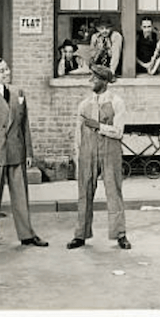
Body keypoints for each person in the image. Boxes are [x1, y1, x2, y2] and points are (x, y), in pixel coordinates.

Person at [0, 58, 48, 252]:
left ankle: (27, 235)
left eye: (7, 69)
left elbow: (24, 125)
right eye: (2, 70)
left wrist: (28, 151)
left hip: (16, 151)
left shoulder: (18, 93)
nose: (7, 72)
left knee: (21, 196)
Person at [67, 64, 131, 250]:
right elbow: (78, 135)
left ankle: (120, 234)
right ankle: (80, 235)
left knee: (114, 193)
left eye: (94, 79)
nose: (90, 81)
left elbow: (119, 132)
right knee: (84, 194)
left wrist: (98, 126)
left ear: (104, 81)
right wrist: (78, 156)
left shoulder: (117, 102)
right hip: (88, 154)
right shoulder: (84, 105)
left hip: (110, 152)